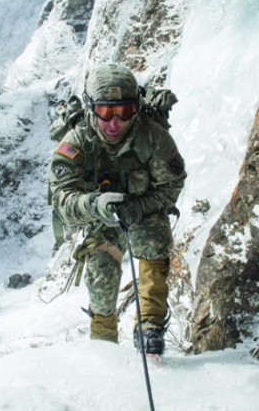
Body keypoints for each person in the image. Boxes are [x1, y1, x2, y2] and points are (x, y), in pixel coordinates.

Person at [49, 63, 186, 354]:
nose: (115, 123)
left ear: (136, 108)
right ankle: (104, 346)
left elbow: (172, 184)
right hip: (101, 219)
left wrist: (139, 206)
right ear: (90, 109)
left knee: (154, 242)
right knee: (100, 274)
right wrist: (94, 205)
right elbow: (62, 199)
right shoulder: (75, 143)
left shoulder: (152, 138)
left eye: (124, 112)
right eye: (105, 112)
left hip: (142, 211)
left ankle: (150, 328)